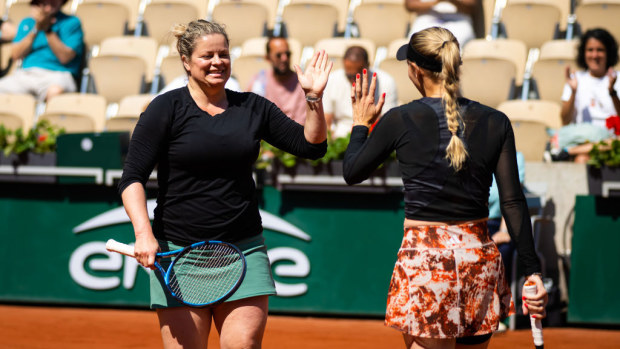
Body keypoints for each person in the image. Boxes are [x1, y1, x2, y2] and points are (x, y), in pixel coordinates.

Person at [117, 19, 331, 348]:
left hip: (242, 251)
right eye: (207, 56)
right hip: (178, 255)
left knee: (242, 344)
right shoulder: (165, 109)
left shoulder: (253, 107)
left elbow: (311, 146)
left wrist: (313, 98)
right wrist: (144, 234)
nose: (217, 62)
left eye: (224, 54)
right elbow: (132, 177)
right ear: (186, 61)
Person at [343, 27, 548, 348]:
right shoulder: (496, 121)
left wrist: (360, 123)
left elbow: (352, 171)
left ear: (414, 70)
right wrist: (533, 271)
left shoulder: (399, 119)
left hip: (426, 260)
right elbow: (512, 201)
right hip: (478, 259)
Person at [0, 0, 84, 102]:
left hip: (58, 74)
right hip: (26, 74)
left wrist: (48, 30)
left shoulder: (72, 22)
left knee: (55, 91)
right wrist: (36, 28)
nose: (48, 4)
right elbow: (15, 55)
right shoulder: (27, 23)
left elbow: (65, 57)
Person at [558, 28, 620, 163]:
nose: (595, 55)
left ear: (608, 53)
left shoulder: (617, 79)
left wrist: (612, 92)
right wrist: (573, 92)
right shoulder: (576, 79)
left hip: (612, 142)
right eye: (590, 50)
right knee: (582, 159)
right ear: (583, 53)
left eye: (600, 50)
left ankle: (567, 152)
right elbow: (565, 120)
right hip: (584, 140)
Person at [323, 45, 398, 139]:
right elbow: (326, 121)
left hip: (372, 136)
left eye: (357, 75)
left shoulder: (386, 82)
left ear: (367, 65)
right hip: (340, 136)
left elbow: (387, 121)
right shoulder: (332, 80)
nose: (353, 80)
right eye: (349, 76)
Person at [246, 36, 307, 125]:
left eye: (287, 54)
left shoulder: (302, 84)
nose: (284, 58)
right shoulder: (259, 81)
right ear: (268, 58)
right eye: (278, 55)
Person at [405, 0, 478, 48]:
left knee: (454, 45)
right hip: (427, 18)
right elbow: (410, 5)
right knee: (418, 43)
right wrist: (436, 1)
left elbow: (472, 7)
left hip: (458, 20)